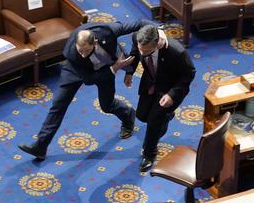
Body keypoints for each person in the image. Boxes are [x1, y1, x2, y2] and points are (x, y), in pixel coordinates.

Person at [18, 20, 166, 160]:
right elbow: (88, 80)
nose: (82, 54)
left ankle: (128, 115)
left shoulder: (107, 31)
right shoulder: (73, 53)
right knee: (58, 105)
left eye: (86, 51)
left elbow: (138, 23)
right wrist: (114, 68)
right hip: (78, 71)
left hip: (105, 67)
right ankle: (41, 146)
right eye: (80, 50)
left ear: (95, 42)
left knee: (106, 105)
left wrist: (157, 29)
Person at [125, 24, 196, 172]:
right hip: (150, 83)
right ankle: (166, 116)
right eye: (140, 49)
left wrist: (172, 95)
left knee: (153, 123)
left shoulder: (177, 52)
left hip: (169, 88)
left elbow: (189, 74)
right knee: (142, 116)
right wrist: (130, 72)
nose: (142, 53)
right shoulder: (137, 38)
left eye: (146, 51)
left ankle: (149, 153)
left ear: (157, 44)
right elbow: (135, 53)